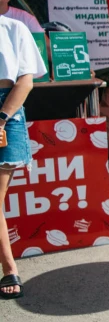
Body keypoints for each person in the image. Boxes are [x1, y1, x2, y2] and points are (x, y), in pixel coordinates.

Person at [0, 16, 46, 300]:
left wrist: (1, 119)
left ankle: (8, 267)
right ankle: (9, 266)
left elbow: (26, 80)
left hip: (6, 109)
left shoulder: (14, 28)